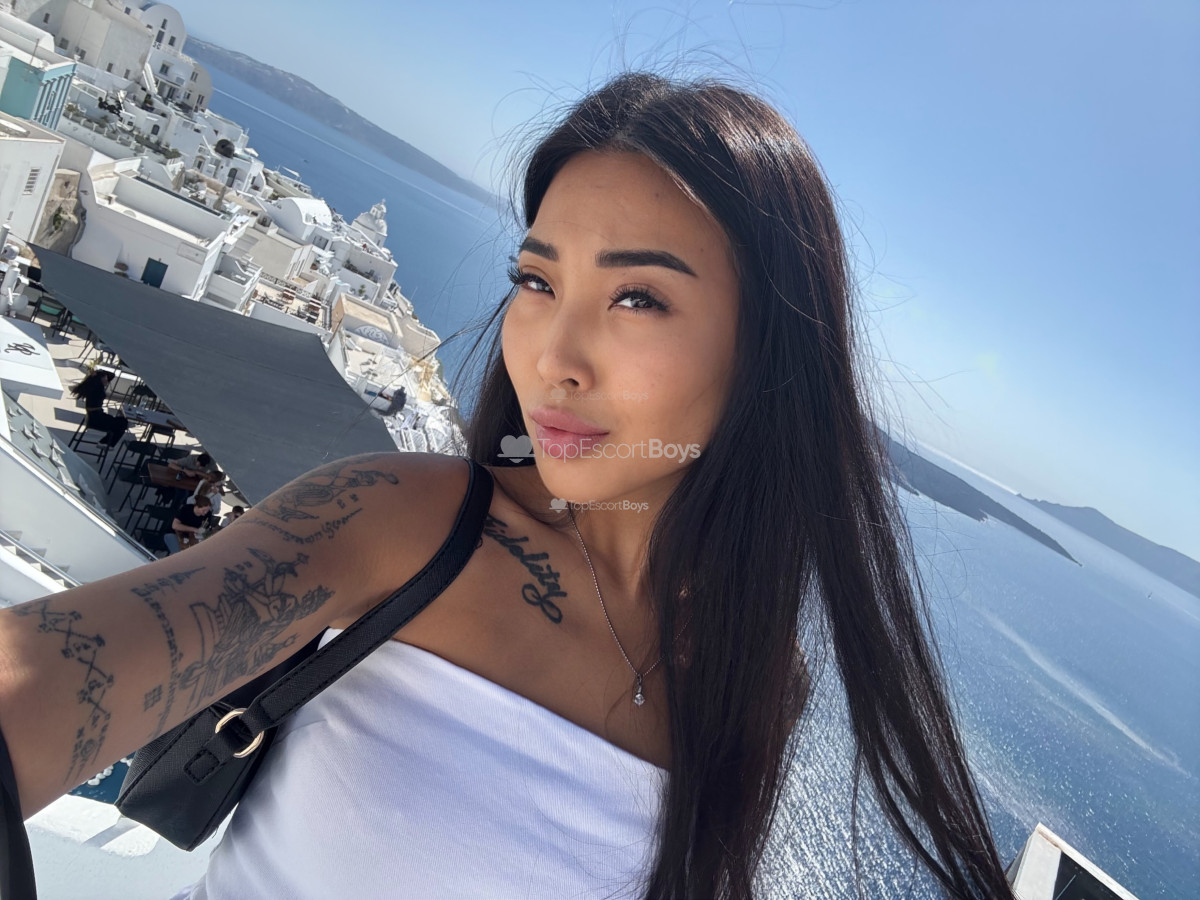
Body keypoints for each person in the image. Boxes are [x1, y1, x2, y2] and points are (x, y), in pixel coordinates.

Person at [0, 73, 1016, 899]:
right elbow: (44, 679)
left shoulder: (757, 679)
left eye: (637, 297)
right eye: (537, 281)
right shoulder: (406, 521)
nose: (553, 358)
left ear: (767, 356)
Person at [68, 370, 128, 446]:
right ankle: (106, 443)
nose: (107, 380)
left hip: (96, 416)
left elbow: (112, 375)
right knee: (123, 424)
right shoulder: (98, 389)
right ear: (100, 379)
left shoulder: (94, 387)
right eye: (105, 378)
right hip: (97, 419)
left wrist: (98, 373)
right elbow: (112, 375)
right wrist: (98, 373)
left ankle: (105, 443)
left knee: (121, 423)